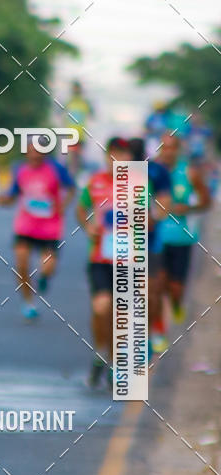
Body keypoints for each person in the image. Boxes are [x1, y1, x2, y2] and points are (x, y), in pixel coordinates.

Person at [77, 137, 132, 389]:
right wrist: (89, 227)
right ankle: (100, 352)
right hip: (99, 257)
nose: (117, 161)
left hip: (128, 259)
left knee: (120, 315)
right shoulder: (95, 182)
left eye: (122, 156)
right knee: (101, 308)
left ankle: (114, 362)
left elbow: (151, 216)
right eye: (113, 156)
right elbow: (81, 208)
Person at [0, 136, 75, 319]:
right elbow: (14, 192)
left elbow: (71, 188)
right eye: (30, 150)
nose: (33, 155)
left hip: (50, 226)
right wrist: (5, 200)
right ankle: (27, 302)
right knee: (21, 263)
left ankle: (44, 278)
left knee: (48, 266)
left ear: (44, 152)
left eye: (37, 151)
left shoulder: (56, 169)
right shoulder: (20, 169)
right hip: (25, 225)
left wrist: (63, 206)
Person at [157, 132, 211, 324]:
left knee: (175, 288)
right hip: (156, 238)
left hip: (182, 237)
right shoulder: (150, 171)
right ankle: (158, 330)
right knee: (158, 284)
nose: (167, 152)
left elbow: (206, 202)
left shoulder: (189, 173)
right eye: (164, 147)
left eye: (172, 148)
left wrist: (188, 208)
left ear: (178, 150)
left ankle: (177, 305)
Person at [127, 137, 172, 355]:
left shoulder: (157, 172)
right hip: (120, 242)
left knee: (150, 292)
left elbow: (164, 203)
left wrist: (152, 216)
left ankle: (147, 335)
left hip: (149, 241)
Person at [64, 80, 93, 176]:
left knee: (79, 159)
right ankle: (72, 177)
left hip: (81, 135)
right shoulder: (69, 103)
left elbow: (92, 113)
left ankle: (78, 176)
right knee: (72, 159)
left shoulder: (84, 103)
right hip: (71, 135)